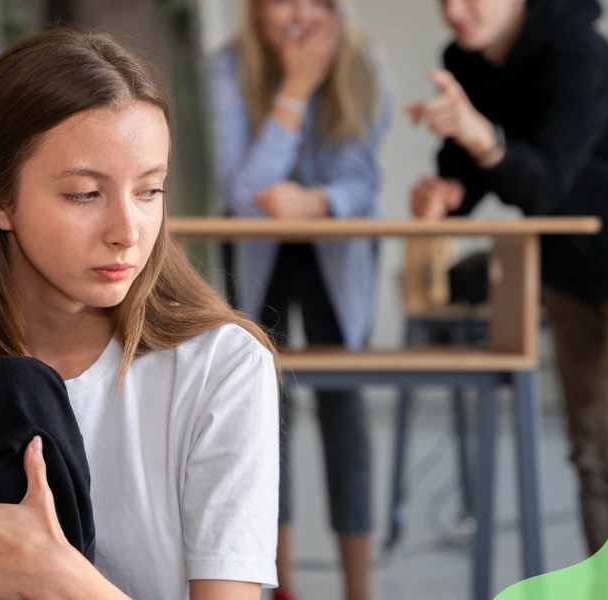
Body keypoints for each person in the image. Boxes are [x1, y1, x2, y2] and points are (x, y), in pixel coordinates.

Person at [0, 28, 282, 600]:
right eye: (84, 194)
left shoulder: (220, 368)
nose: (127, 232)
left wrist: (59, 580)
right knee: (5, 390)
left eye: (149, 191)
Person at [409, 0, 608, 557]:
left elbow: (544, 183)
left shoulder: (578, 55)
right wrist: (449, 195)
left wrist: (480, 138)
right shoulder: (466, 60)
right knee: (586, 445)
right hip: (569, 268)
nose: (455, 10)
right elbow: (472, 169)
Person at [206, 1, 392, 599]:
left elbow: (361, 179)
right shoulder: (226, 69)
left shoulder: (364, 63)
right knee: (263, 412)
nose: (299, 14)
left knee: (346, 415)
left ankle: (358, 589)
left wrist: (317, 203)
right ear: (256, 10)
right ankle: (278, 587)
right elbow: (242, 189)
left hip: (335, 253)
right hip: (258, 252)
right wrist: (296, 88)